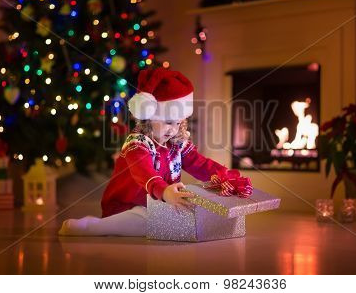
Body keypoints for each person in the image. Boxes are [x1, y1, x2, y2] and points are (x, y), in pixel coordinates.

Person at [58, 67, 229, 236]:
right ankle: (91, 226)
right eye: (168, 122)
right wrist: (164, 191)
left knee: (186, 215)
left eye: (178, 123)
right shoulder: (137, 144)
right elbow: (144, 172)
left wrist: (225, 176)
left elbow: (199, 163)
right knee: (148, 221)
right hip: (127, 206)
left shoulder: (176, 143)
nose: (173, 130)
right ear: (149, 117)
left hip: (158, 203)